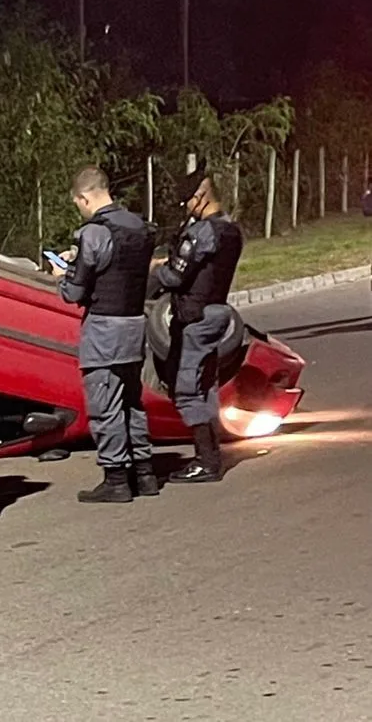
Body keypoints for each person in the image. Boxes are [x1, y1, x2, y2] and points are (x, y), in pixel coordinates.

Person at [52, 165, 158, 504]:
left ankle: (115, 478)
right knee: (132, 402)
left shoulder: (93, 233)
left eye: (77, 203)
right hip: (134, 324)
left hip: (104, 329)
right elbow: (116, 266)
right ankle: (144, 473)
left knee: (106, 406)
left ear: (84, 197)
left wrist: (60, 273)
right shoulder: (139, 226)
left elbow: (75, 291)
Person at [154, 161, 243, 483]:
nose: (187, 208)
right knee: (206, 386)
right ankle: (211, 454)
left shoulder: (203, 232)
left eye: (188, 201)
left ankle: (206, 461)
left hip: (196, 318)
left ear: (202, 196)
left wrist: (152, 274)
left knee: (187, 389)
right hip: (217, 312)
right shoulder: (230, 229)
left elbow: (175, 276)